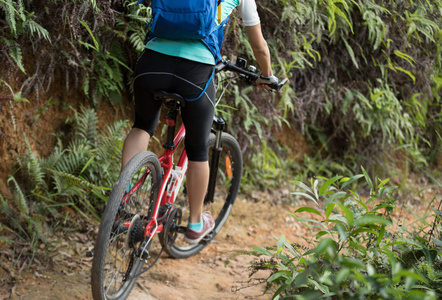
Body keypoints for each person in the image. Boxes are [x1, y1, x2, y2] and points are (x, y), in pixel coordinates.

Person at [121, 0, 279, 244]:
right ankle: (195, 223)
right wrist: (267, 75)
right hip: (195, 73)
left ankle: (121, 201)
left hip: (152, 64)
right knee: (196, 149)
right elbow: (259, 47)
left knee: (142, 127)